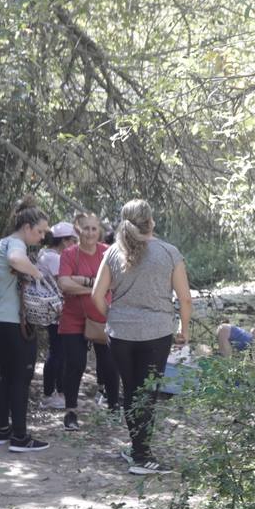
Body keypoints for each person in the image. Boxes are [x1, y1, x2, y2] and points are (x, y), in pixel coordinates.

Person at [91, 199, 191, 475]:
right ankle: (142, 456)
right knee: (147, 392)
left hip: (120, 333)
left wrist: (111, 316)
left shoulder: (112, 253)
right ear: (152, 221)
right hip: (157, 333)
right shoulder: (169, 253)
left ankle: (137, 449)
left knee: (132, 389)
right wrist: (185, 331)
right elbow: (185, 299)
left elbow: (96, 296)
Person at [0, 197, 51, 452]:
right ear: (26, 227)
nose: (43, 236)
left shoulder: (5, 242)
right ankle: (20, 438)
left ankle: (2, 430)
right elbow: (15, 259)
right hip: (11, 321)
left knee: (7, 375)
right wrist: (38, 274)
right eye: (40, 231)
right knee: (20, 377)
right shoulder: (15, 244)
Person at [56, 211, 121, 431]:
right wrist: (95, 287)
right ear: (78, 229)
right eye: (86, 228)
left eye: (94, 228)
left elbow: (115, 283)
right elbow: (64, 284)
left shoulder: (107, 252)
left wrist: (83, 282)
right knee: (75, 364)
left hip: (104, 316)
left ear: (99, 231)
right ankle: (71, 412)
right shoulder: (69, 254)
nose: (90, 233)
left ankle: (114, 407)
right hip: (74, 318)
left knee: (110, 364)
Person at [38, 222, 77, 409]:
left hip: (55, 310)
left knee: (59, 351)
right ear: (63, 241)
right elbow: (62, 283)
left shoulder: (45, 254)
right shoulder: (54, 258)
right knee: (57, 352)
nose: (74, 244)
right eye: (72, 240)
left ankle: (59, 392)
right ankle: (49, 394)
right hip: (56, 311)